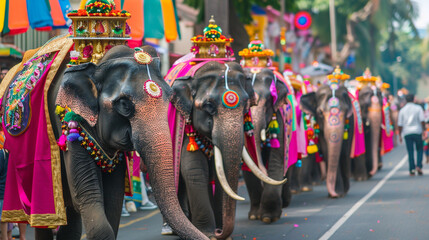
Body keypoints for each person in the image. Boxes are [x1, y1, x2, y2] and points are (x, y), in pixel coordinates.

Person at [398, 94, 425, 176]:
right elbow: (422, 120)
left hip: (407, 132)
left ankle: (412, 169)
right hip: (417, 131)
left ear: (405, 100)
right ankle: (419, 166)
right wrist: (423, 130)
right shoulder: (418, 108)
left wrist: (400, 135)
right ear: (414, 99)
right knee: (419, 149)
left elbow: (400, 124)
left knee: (410, 151)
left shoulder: (402, 110)